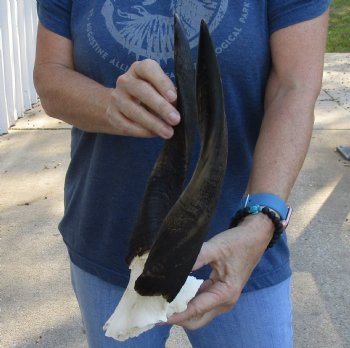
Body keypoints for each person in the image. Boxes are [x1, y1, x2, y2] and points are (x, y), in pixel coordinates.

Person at [34, 1, 330, 347]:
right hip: (110, 242)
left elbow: (293, 88)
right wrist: (109, 104)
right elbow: (50, 77)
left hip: (240, 248)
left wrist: (262, 220)